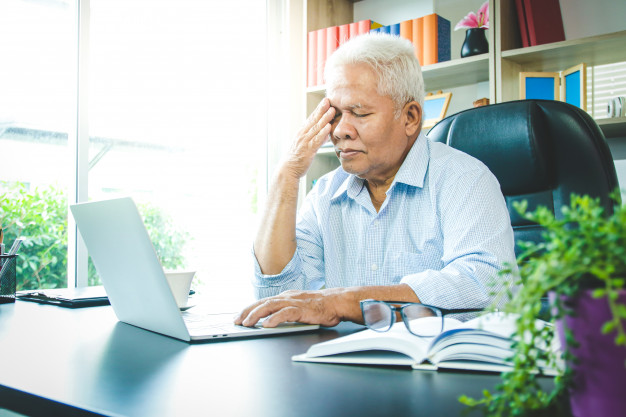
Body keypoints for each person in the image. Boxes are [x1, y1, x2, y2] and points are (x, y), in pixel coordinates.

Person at [235, 33, 516, 329]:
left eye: (359, 113)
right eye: (335, 114)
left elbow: (488, 289)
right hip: (340, 364)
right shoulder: (325, 194)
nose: (340, 130)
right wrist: (286, 175)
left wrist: (344, 302)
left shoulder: (465, 179)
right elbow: (276, 299)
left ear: (409, 117)